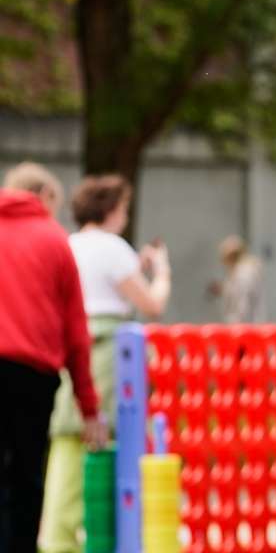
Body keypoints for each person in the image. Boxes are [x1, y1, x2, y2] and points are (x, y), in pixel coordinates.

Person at [40, 174, 170, 553]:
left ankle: (58, 536)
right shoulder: (114, 248)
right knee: (107, 438)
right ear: (113, 210)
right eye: (124, 209)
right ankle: (101, 534)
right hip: (107, 352)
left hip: (65, 346)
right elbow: (152, 304)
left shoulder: (66, 244)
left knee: (67, 437)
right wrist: (161, 271)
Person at [0, 163, 107, 553]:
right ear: (43, 195)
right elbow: (76, 332)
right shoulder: (53, 240)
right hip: (32, 375)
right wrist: (89, 407)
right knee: (26, 478)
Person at [215, 234, 265, 324]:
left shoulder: (244, 272)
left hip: (245, 326)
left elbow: (243, 302)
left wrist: (238, 325)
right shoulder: (240, 271)